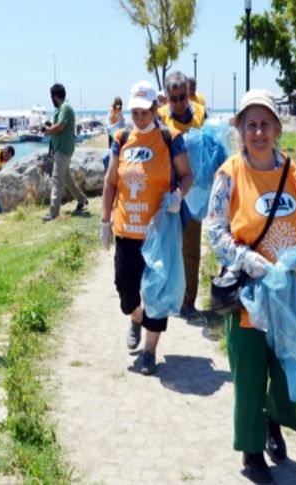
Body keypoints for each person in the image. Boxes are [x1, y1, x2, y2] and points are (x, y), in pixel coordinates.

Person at [208, 89, 296, 484]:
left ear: (277, 128)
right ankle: (252, 451)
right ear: (240, 128)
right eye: (250, 124)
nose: (258, 132)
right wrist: (244, 259)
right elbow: (216, 230)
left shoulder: (292, 170)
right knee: (251, 374)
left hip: (292, 293)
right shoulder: (228, 174)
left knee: (287, 369)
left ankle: (272, 420)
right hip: (249, 298)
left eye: (265, 124)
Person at [100, 80, 193, 376]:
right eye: (135, 112)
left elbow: (187, 175)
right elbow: (111, 182)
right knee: (125, 291)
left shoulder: (170, 138)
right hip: (126, 231)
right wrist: (104, 220)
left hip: (159, 233)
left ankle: (150, 351)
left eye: (144, 111)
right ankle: (135, 318)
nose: (140, 117)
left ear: (156, 108)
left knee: (158, 294)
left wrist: (179, 196)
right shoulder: (121, 137)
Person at [158, 71, 206, 321]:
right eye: (173, 98)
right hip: (169, 191)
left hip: (194, 192)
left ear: (189, 94)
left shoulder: (199, 112)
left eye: (182, 97)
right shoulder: (161, 117)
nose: (178, 103)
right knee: (167, 246)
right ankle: (166, 296)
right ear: (167, 97)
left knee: (191, 249)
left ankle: (188, 302)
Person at [41, 83, 88, 221]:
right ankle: (81, 199)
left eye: (51, 96)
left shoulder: (65, 108)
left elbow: (60, 126)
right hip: (61, 149)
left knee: (57, 180)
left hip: (63, 149)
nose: (51, 99)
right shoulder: (61, 109)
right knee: (66, 178)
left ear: (55, 96)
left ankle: (53, 212)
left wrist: (48, 130)